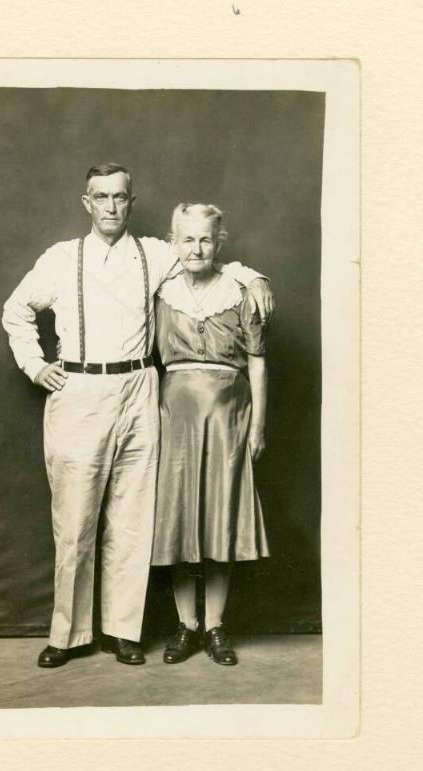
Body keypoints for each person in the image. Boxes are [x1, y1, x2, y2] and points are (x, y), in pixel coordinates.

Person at [2, 164, 274, 669]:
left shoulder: (155, 252)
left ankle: (122, 632)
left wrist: (251, 275)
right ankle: (68, 634)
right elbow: (15, 310)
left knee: (132, 520)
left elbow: (207, 257)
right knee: (75, 520)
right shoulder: (61, 259)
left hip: (140, 388)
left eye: (120, 197)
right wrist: (34, 364)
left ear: (131, 202)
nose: (111, 206)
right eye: (101, 197)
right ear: (87, 203)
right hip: (80, 389)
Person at [151, 203, 270, 666]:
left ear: (219, 242)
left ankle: (216, 624)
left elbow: (258, 360)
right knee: (180, 522)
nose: (196, 248)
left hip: (228, 419)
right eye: (186, 239)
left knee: (220, 520)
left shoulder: (242, 291)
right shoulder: (160, 291)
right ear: (172, 242)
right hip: (173, 421)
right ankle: (188, 624)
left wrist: (258, 424)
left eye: (205, 239)